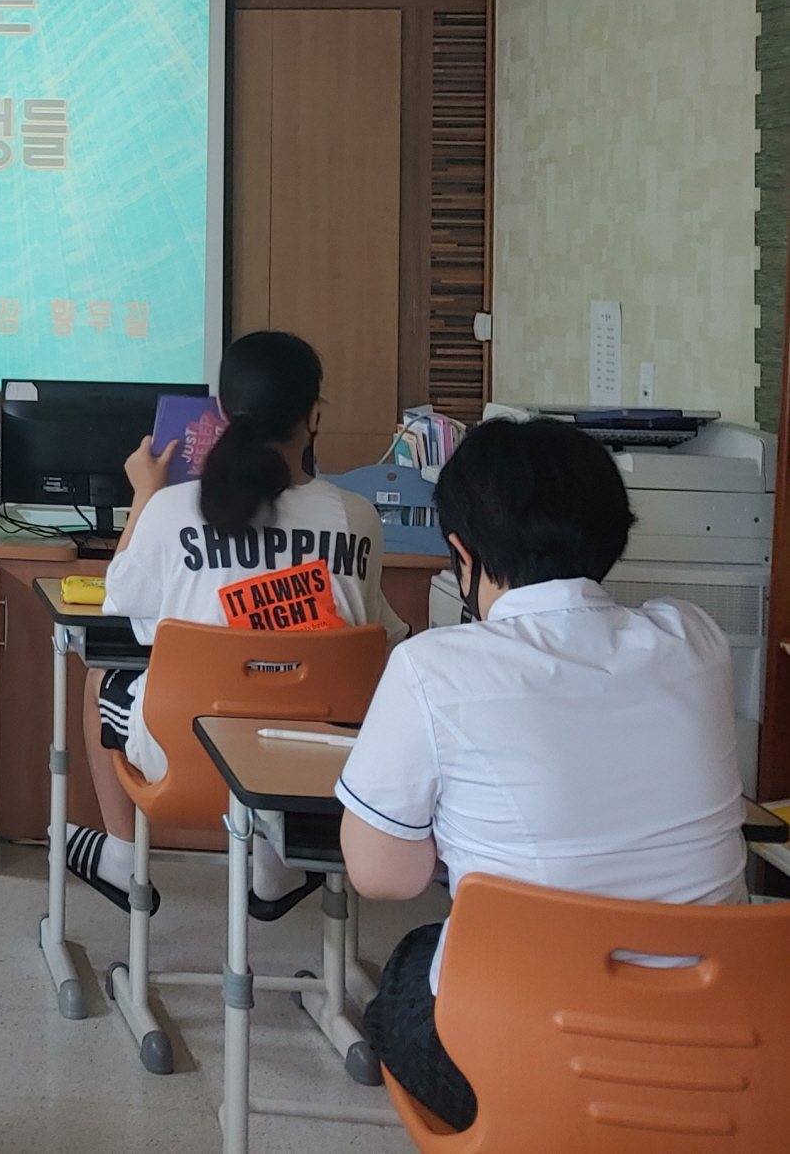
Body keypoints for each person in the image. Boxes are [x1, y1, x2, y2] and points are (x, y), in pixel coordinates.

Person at [339, 417, 746, 1133]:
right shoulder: (697, 639)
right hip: (723, 1054)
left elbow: (384, 876)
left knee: (410, 963)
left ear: (462, 554)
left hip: (521, 1059)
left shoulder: (432, 668)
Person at [72, 330, 402, 921]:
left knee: (101, 675)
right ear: (314, 415)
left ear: (219, 413)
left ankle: (123, 856)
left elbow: (116, 601)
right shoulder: (357, 518)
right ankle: (275, 865)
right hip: (321, 763)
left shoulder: (172, 510)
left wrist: (145, 494)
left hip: (186, 759)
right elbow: (376, 635)